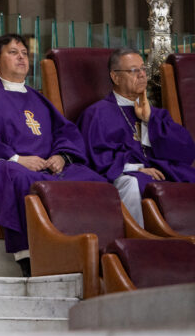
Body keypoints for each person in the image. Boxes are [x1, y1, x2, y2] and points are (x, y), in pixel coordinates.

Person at [0, 33, 105, 276]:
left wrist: (61, 156)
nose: (21, 58)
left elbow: (64, 131)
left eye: (24, 53)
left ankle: (99, 249)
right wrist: (17, 159)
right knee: (18, 177)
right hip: (11, 164)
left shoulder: (38, 98)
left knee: (94, 180)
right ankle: (29, 257)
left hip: (49, 166)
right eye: (13, 52)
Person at [77, 48, 195, 227]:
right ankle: (138, 241)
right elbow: (96, 157)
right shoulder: (97, 114)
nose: (141, 75)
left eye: (143, 69)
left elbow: (185, 151)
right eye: (133, 70)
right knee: (131, 183)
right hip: (123, 174)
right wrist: (136, 168)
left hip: (159, 170)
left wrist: (149, 120)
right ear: (115, 77)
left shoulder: (156, 114)